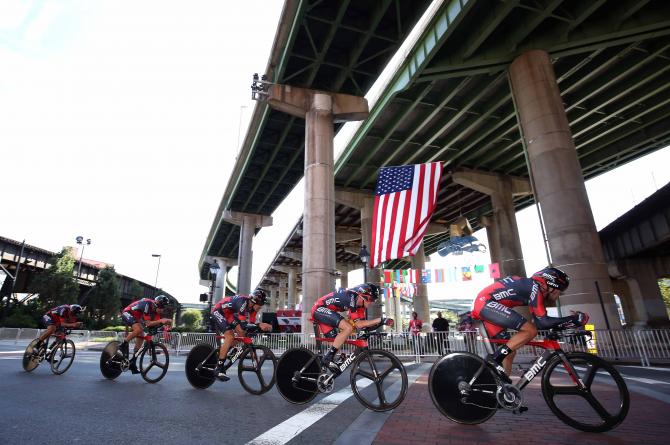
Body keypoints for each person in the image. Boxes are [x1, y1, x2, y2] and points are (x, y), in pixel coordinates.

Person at [471, 267, 589, 383]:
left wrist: (567, 322)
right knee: (530, 331)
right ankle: (494, 360)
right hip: (485, 303)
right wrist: (573, 319)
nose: (558, 296)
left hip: (486, 304)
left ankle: (503, 389)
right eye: (559, 292)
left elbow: (540, 321)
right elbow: (543, 323)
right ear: (551, 287)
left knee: (510, 352)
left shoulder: (531, 287)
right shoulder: (534, 287)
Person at [312, 283, 394, 374]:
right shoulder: (351, 298)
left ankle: (323, 372)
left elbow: (363, 325)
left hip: (327, 312)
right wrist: (380, 320)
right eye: (371, 299)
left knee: (336, 344)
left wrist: (377, 326)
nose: (372, 302)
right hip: (319, 308)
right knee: (348, 328)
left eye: (374, 300)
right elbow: (358, 324)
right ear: (363, 296)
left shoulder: (361, 306)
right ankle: (327, 359)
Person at [211, 289, 273, 381]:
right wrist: (259, 325)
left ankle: (226, 349)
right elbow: (244, 325)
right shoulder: (243, 303)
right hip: (218, 311)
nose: (261, 307)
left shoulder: (253, 309)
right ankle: (219, 368)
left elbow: (248, 328)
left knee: (243, 333)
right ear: (253, 301)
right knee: (230, 336)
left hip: (228, 314)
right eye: (260, 305)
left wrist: (254, 356)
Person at [119, 295, 173, 374]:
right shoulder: (147, 304)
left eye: (163, 309)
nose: (162, 310)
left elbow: (153, 324)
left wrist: (165, 325)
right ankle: (123, 345)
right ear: (156, 305)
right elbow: (148, 323)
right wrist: (162, 320)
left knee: (141, 335)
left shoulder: (156, 312)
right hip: (127, 312)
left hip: (136, 317)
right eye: (161, 308)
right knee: (139, 329)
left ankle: (133, 362)